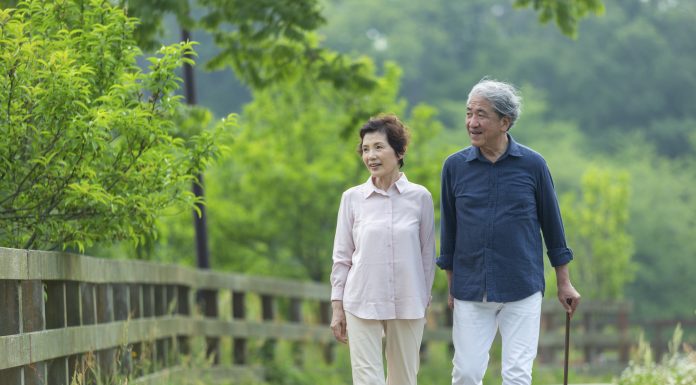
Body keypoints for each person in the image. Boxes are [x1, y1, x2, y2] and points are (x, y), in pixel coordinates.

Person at [437, 78, 581, 385]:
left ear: (505, 121)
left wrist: (564, 283)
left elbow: (553, 226)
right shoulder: (454, 167)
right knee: (466, 373)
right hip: (470, 288)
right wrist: (451, 281)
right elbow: (449, 230)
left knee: (517, 374)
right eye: (468, 113)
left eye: (481, 115)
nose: (472, 122)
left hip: (522, 286)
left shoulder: (533, 165)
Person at [330, 114, 436, 385]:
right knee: (367, 380)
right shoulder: (351, 199)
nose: (371, 156)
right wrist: (337, 307)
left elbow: (426, 255)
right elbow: (342, 257)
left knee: (403, 379)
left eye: (379, 147)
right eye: (366, 149)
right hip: (361, 299)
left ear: (399, 151)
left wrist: (423, 298)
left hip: (408, 300)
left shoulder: (420, 197)